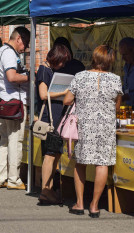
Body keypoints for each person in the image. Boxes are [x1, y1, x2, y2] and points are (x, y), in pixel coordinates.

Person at [64, 45, 122, 218]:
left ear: (94, 58)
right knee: (102, 163)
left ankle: (80, 203)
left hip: (84, 126)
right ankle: (94, 206)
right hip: (105, 126)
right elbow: (117, 105)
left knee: (80, 163)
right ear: (110, 60)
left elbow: (67, 100)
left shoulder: (80, 77)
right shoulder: (115, 79)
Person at [0, 27, 30, 190]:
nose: (26, 48)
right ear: (19, 38)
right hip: (14, 103)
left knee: (5, 140)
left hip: (3, 102)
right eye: (25, 43)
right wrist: (30, 77)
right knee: (16, 140)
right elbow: (12, 76)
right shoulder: (9, 53)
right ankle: (14, 179)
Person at [36, 44, 72, 204]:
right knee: (50, 154)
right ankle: (45, 190)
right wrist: (64, 92)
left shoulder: (50, 70)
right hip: (49, 118)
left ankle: (49, 190)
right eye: (62, 62)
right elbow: (43, 95)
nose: (63, 65)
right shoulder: (44, 70)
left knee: (55, 154)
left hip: (56, 117)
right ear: (55, 58)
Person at [119, 37, 134, 107]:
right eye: (122, 55)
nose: (123, 58)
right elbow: (127, 87)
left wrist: (126, 97)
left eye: (125, 54)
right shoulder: (127, 67)